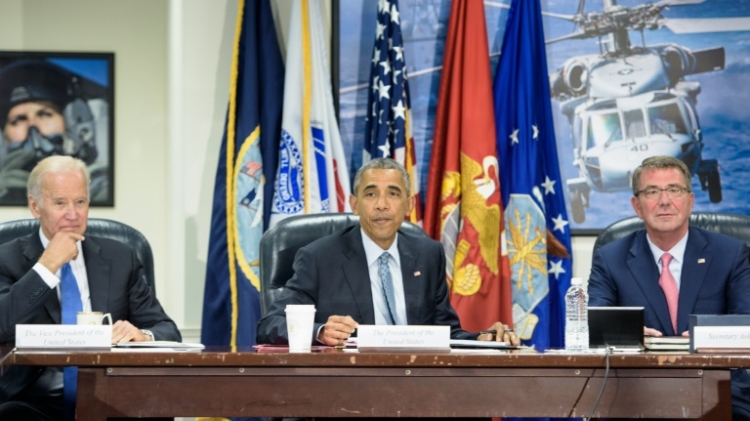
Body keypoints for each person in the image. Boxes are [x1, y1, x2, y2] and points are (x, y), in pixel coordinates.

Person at [257, 157, 519, 347]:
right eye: (371, 194)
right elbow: (270, 325)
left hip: (416, 387)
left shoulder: (428, 254)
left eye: (393, 194)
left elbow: (444, 333)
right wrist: (321, 331)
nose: (382, 205)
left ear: (409, 204)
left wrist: (484, 338)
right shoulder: (318, 258)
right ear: (355, 204)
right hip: (348, 388)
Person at [0, 155, 180, 421]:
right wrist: (46, 267)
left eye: (80, 202)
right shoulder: (7, 258)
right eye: (60, 203)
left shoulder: (121, 257)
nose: (73, 214)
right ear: (35, 206)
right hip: (34, 398)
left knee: (157, 412)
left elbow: (167, 330)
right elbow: (2, 322)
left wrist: (142, 335)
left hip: (112, 391)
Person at [588, 155, 750, 420]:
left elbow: (747, 324)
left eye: (674, 190)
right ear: (637, 206)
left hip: (717, 387)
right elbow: (596, 324)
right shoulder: (611, 258)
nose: (664, 201)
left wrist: (706, 336)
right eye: (652, 191)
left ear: (690, 201)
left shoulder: (729, 254)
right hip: (637, 390)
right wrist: (626, 334)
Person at [0, 60, 108, 205]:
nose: (33, 127)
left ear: (72, 125)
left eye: (45, 114)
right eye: (19, 120)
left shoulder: (100, 188)